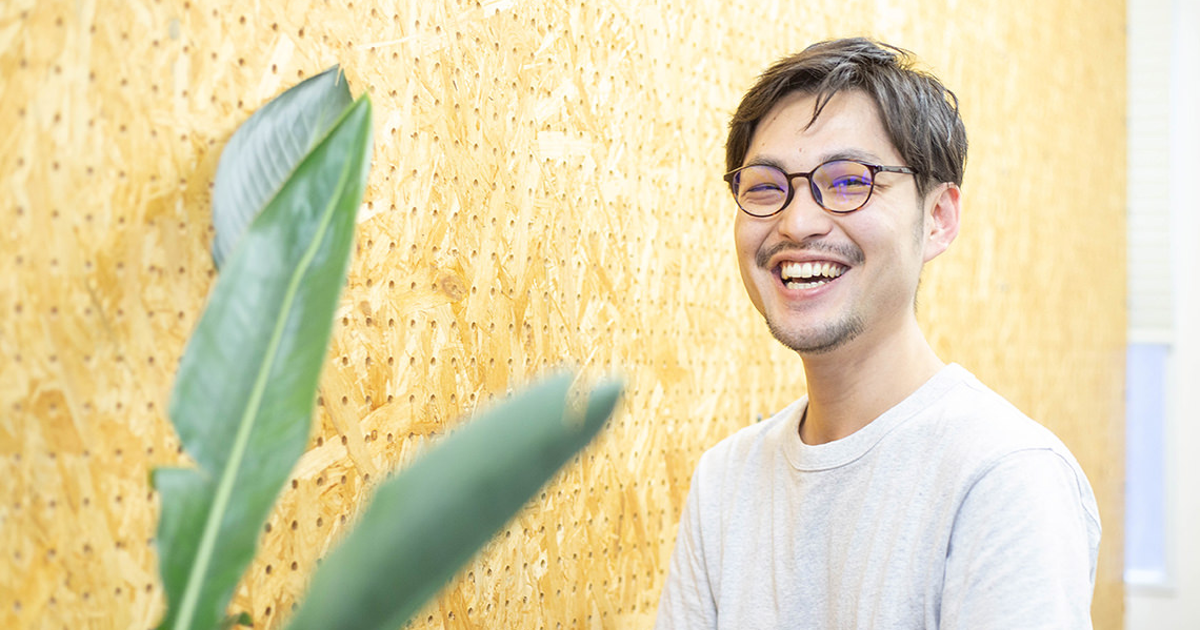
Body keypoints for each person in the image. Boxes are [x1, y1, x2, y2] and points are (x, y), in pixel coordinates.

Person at [655, 38, 1101, 629]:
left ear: (938, 218)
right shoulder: (725, 481)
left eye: (849, 182)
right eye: (765, 186)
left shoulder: (1004, 476)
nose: (797, 222)